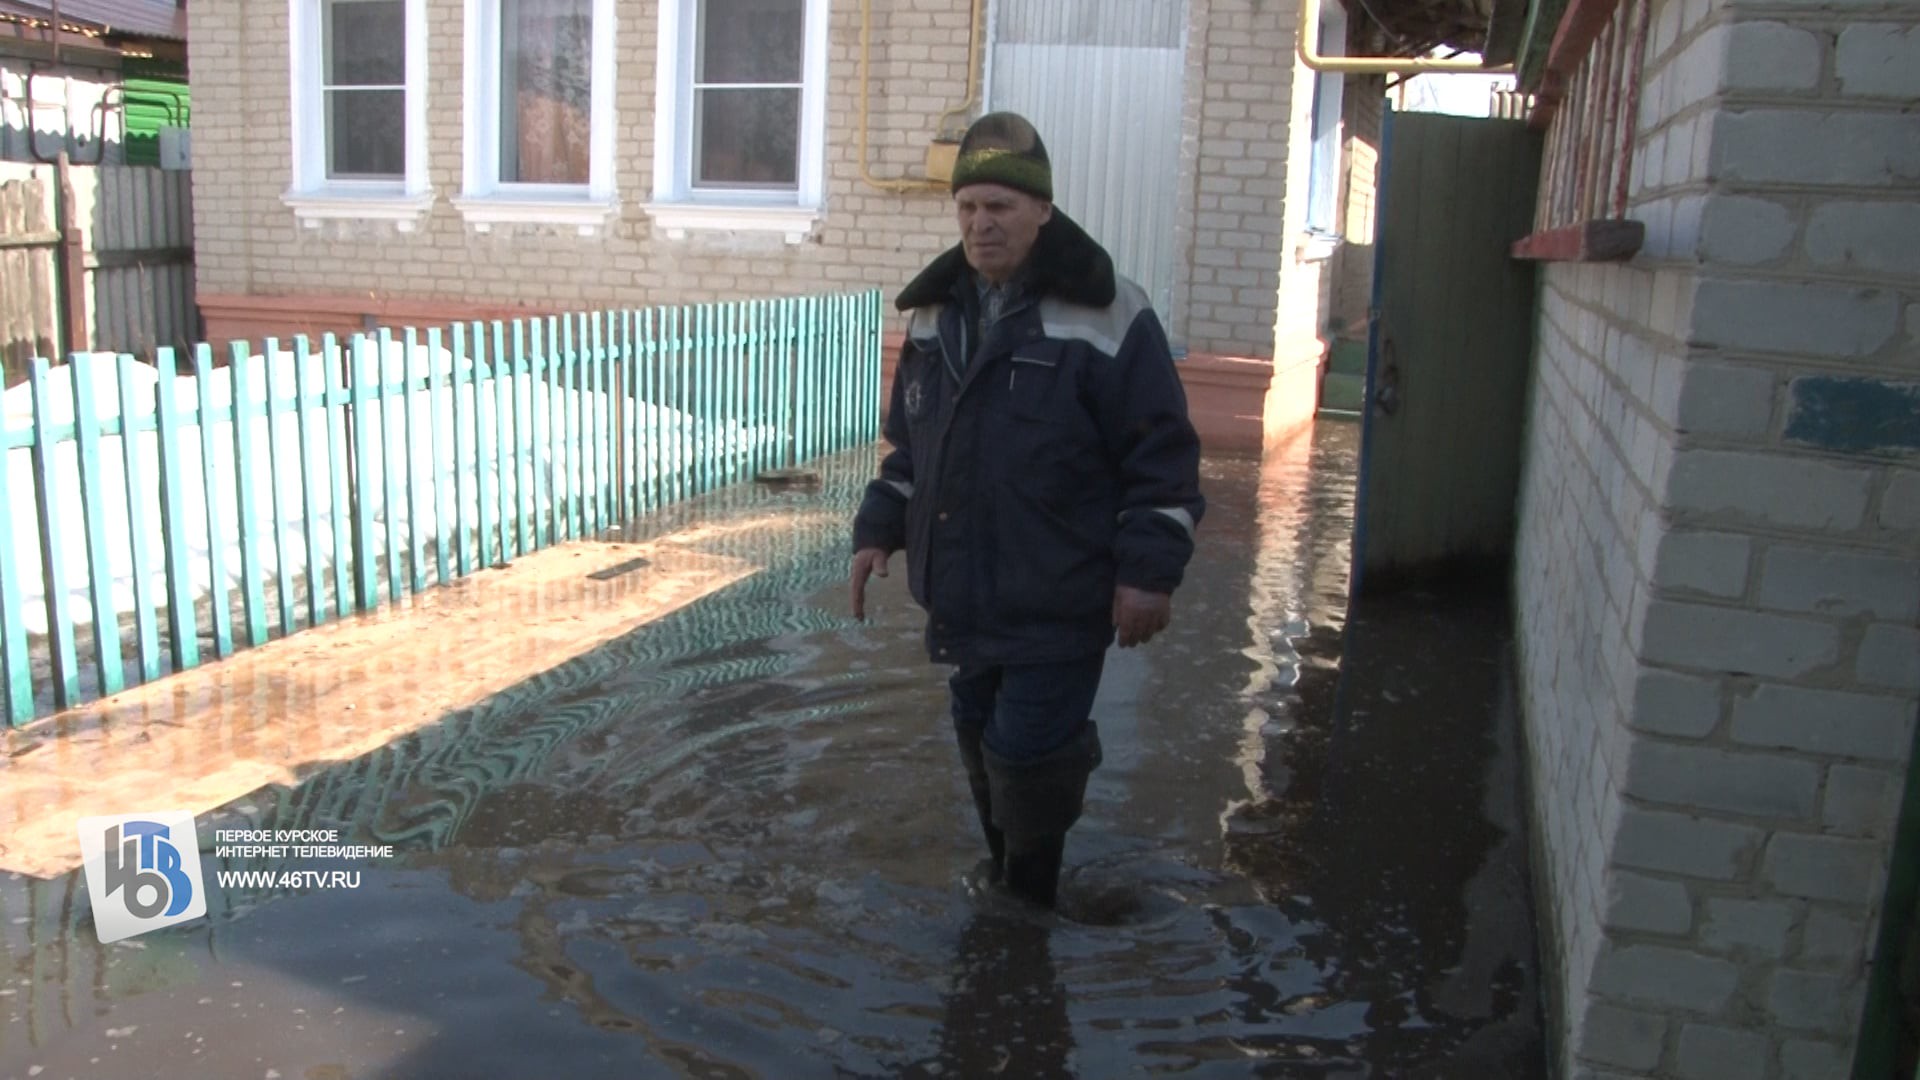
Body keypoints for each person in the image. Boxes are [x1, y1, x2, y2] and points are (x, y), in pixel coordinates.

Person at [848, 112, 1205, 909]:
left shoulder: (1109, 312)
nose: (982, 224)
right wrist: (877, 531)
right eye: (968, 206)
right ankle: (1008, 883)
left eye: (1001, 206)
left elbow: (1163, 462)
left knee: (1029, 751)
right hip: (967, 593)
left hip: (1059, 594)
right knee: (978, 730)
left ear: (1043, 210)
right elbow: (911, 452)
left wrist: (1148, 575)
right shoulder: (935, 316)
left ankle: (1028, 906)